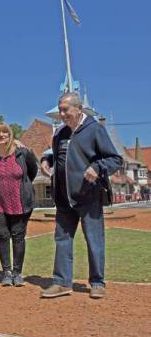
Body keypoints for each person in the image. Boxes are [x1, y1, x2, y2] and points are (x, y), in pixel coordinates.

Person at [40, 92, 122, 299]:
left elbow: (115, 159)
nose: (61, 114)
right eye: (60, 110)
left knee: (94, 240)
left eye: (65, 109)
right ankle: (61, 282)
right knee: (62, 240)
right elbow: (56, 154)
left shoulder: (94, 129)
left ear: (78, 109)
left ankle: (97, 282)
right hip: (63, 197)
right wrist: (46, 161)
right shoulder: (59, 133)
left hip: (88, 196)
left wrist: (97, 167)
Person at [0, 123, 38, 287]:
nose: (1, 135)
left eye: (5, 132)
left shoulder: (23, 153)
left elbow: (31, 172)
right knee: (2, 236)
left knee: (18, 237)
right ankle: (6, 272)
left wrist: (21, 187)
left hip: (20, 202)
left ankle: (17, 272)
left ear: (10, 134)